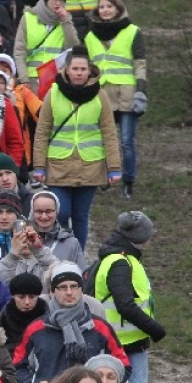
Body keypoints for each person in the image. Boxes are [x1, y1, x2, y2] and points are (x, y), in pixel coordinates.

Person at [31, 46, 121, 248]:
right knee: (61, 212)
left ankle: (77, 255)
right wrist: (39, 166)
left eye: (83, 69)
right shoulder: (54, 93)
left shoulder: (100, 96)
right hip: (58, 165)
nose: (79, 73)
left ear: (89, 71)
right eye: (75, 69)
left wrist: (114, 167)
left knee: (80, 216)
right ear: (67, 70)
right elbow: (42, 131)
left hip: (90, 166)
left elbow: (109, 132)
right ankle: (61, 251)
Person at [14, 263, 129, 383]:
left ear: (81, 289)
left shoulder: (100, 328)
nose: (69, 292)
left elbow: (123, 365)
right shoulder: (35, 329)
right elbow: (18, 366)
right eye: (63, 287)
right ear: (53, 291)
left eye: (74, 286)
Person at [91, 211, 164, 383]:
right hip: (122, 342)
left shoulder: (124, 258)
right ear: (139, 237)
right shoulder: (120, 263)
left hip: (129, 340)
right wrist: (154, 329)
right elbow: (125, 305)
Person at [84, 0, 145, 198]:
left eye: (109, 6)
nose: (105, 10)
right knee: (103, 140)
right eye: (102, 7)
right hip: (102, 95)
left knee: (126, 141)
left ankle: (128, 181)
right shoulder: (90, 36)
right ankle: (105, 177)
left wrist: (141, 91)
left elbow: (140, 64)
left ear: (118, 9)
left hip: (127, 94)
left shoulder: (133, 31)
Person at [13, 0, 79, 93]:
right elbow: (19, 51)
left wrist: (66, 21)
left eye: (62, 0)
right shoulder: (28, 17)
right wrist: (24, 79)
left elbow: (73, 48)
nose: (58, 3)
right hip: (33, 78)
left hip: (56, 78)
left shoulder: (65, 21)